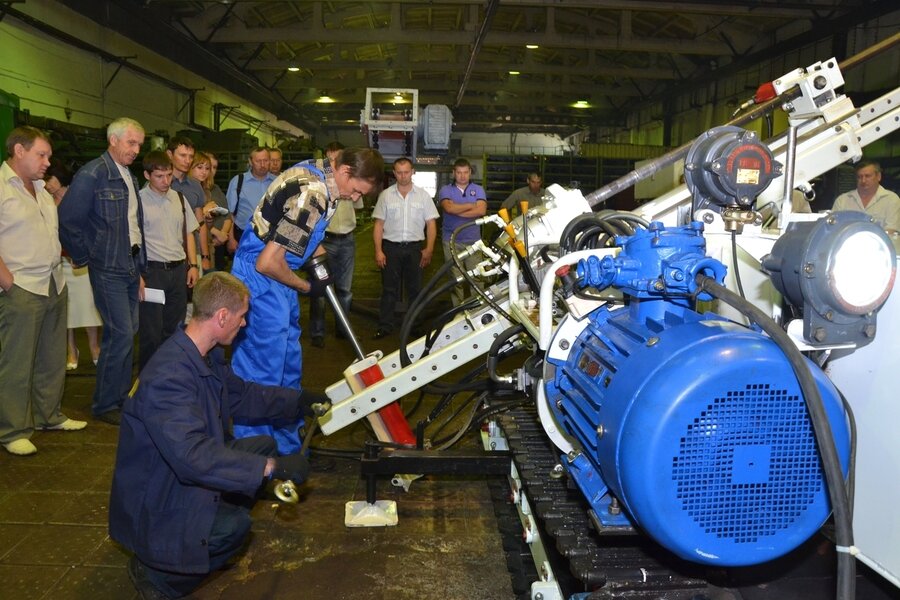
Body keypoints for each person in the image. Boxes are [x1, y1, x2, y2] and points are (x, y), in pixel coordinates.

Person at [109, 271, 314, 600]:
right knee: (234, 530)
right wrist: (272, 469)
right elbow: (193, 457)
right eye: (242, 316)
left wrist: (299, 401)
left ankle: (205, 522)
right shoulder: (169, 376)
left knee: (263, 445)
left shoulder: (201, 353)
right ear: (222, 316)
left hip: (174, 473)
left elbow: (242, 395)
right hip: (158, 499)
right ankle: (158, 576)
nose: (244, 324)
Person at [230, 147, 384, 455]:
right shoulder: (313, 194)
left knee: (288, 364)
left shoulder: (316, 170)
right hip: (261, 280)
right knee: (263, 372)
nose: (355, 199)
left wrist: (319, 259)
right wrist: (305, 287)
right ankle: (254, 454)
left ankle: (287, 446)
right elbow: (267, 262)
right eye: (355, 191)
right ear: (344, 172)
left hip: (280, 274)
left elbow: (294, 228)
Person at [0, 126, 86, 456]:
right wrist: (7, 280)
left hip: (53, 281)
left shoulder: (41, 188)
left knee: (52, 358)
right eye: (42, 154)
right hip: (20, 285)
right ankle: (12, 430)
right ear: (19, 151)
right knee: (17, 361)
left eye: (48, 155)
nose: (48, 162)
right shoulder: (3, 188)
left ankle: (48, 415)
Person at [59, 117, 146, 426]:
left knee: (127, 333)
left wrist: (140, 268)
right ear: (113, 140)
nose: (136, 150)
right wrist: (87, 256)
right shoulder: (92, 174)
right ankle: (105, 403)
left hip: (130, 265)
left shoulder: (128, 176)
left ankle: (120, 398)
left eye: (139, 144)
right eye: (131, 143)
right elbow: (68, 220)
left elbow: (134, 225)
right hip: (107, 266)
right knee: (120, 333)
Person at [137, 151, 200, 371]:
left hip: (178, 271)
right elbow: (133, 242)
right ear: (147, 175)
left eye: (169, 175)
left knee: (175, 329)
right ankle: (147, 379)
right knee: (151, 333)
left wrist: (192, 265)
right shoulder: (138, 202)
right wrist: (138, 276)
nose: (166, 181)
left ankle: (171, 376)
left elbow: (189, 233)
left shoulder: (179, 199)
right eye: (159, 176)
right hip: (153, 273)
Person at [372, 157, 439, 339]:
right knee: (388, 289)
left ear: (413, 172)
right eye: (399, 172)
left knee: (415, 290)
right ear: (394, 173)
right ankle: (385, 326)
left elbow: (431, 224)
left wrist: (429, 249)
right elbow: (378, 225)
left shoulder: (423, 196)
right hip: (390, 249)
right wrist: (378, 250)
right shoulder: (385, 195)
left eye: (406, 172)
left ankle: (415, 327)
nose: (403, 176)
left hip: (415, 249)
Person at [45, 160, 102, 370]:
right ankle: (71, 350)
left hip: (82, 260)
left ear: (59, 177)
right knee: (66, 310)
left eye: (49, 179)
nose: (47, 184)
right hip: (59, 262)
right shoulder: (45, 200)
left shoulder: (77, 195)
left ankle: (94, 346)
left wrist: (81, 253)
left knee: (87, 306)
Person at [308, 142, 364, 348]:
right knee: (320, 287)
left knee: (345, 289)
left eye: (337, 158)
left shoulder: (351, 182)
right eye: (330, 158)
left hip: (347, 238)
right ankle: (317, 332)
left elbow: (357, 205)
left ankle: (343, 330)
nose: (334, 163)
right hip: (324, 241)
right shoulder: (317, 183)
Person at [438, 157, 487, 306]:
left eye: (465, 172)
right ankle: (457, 310)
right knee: (455, 279)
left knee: (477, 277)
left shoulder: (478, 189)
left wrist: (456, 209)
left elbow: (482, 210)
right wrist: (471, 205)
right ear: (454, 173)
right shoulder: (446, 190)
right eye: (459, 172)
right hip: (451, 241)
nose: (462, 176)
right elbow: (448, 208)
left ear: (470, 173)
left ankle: (477, 309)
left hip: (473, 242)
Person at [831, 160, 900, 247]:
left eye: (867, 176)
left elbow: (892, 231)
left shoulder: (891, 199)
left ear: (878, 176)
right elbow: (832, 229)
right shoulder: (842, 200)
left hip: (880, 251)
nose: (863, 180)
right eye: (860, 177)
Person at [167, 136, 210, 273]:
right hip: (166, 253)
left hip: (193, 253)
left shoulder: (195, 186)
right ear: (169, 155)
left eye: (191, 156)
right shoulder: (158, 185)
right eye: (183, 155)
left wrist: (205, 256)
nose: (187, 161)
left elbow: (200, 224)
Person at [226, 147, 273, 253]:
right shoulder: (238, 182)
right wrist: (231, 238)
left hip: (271, 238)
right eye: (258, 161)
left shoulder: (277, 182)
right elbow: (229, 213)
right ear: (250, 162)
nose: (262, 165)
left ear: (269, 161)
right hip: (243, 236)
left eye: (265, 160)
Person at [197, 151, 232, 272]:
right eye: (202, 167)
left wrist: (223, 234)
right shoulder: (193, 190)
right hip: (200, 244)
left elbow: (227, 216)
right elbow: (195, 220)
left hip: (213, 244)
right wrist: (217, 233)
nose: (208, 171)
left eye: (212, 167)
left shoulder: (214, 189)